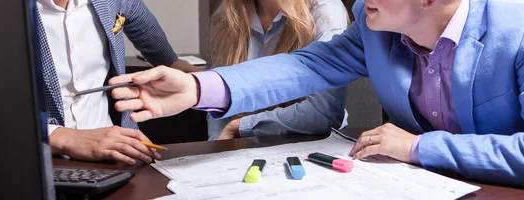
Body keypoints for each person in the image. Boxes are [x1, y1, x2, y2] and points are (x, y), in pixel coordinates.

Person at [108, 0, 524, 186]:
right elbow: (308, 65)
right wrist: (198, 86)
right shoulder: (374, 26)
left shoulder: (517, 29)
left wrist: (420, 148)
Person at [35, 0, 198, 165]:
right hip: (39, 162)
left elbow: (169, 60)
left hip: (115, 155)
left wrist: (208, 82)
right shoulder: (11, 13)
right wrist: (61, 138)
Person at [208, 0, 350, 140]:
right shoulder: (229, 12)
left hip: (312, 142)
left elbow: (324, 112)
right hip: (242, 143)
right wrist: (217, 145)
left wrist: (242, 126)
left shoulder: (326, 11)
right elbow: (218, 101)